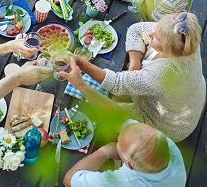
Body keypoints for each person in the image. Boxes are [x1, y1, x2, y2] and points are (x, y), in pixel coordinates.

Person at [64, 12, 205, 142]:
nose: (150, 33)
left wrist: (80, 67)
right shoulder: (185, 39)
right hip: (185, 100)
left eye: (156, 37)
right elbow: (136, 29)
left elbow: (116, 83)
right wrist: (134, 67)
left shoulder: (163, 74)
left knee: (98, 114)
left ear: (168, 48)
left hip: (167, 124)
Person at [61, 60, 187, 187]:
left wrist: (107, 150)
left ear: (128, 164)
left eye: (119, 144)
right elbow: (119, 117)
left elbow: (69, 180)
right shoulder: (168, 146)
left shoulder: (125, 182)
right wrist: (81, 85)